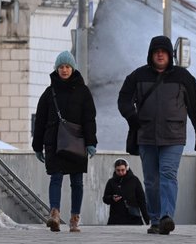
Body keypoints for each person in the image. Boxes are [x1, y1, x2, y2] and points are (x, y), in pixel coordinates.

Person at [117, 35, 196, 235]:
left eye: (163, 51)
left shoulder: (184, 78)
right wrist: (132, 117)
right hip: (146, 135)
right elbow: (123, 99)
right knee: (151, 180)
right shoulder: (138, 76)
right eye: (156, 51)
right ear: (150, 54)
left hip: (173, 136)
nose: (160, 54)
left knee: (168, 174)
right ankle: (156, 219)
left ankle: (166, 216)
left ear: (170, 55)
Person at [31, 50, 97, 233]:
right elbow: (40, 120)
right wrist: (37, 146)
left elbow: (89, 118)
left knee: (77, 181)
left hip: (77, 141)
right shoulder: (49, 92)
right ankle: (54, 215)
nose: (65, 70)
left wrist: (91, 142)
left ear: (73, 68)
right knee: (56, 177)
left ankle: (75, 218)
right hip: (53, 142)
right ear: (56, 69)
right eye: (61, 67)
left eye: (67, 66)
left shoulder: (83, 92)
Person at [102, 158, 149, 225]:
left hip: (134, 218)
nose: (120, 172)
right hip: (116, 219)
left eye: (122, 170)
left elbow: (141, 200)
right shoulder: (111, 182)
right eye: (118, 170)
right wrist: (112, 198)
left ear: (127, 168)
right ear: (115, 170)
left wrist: (147, 220)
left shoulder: (134, 180)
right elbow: (105, 198)